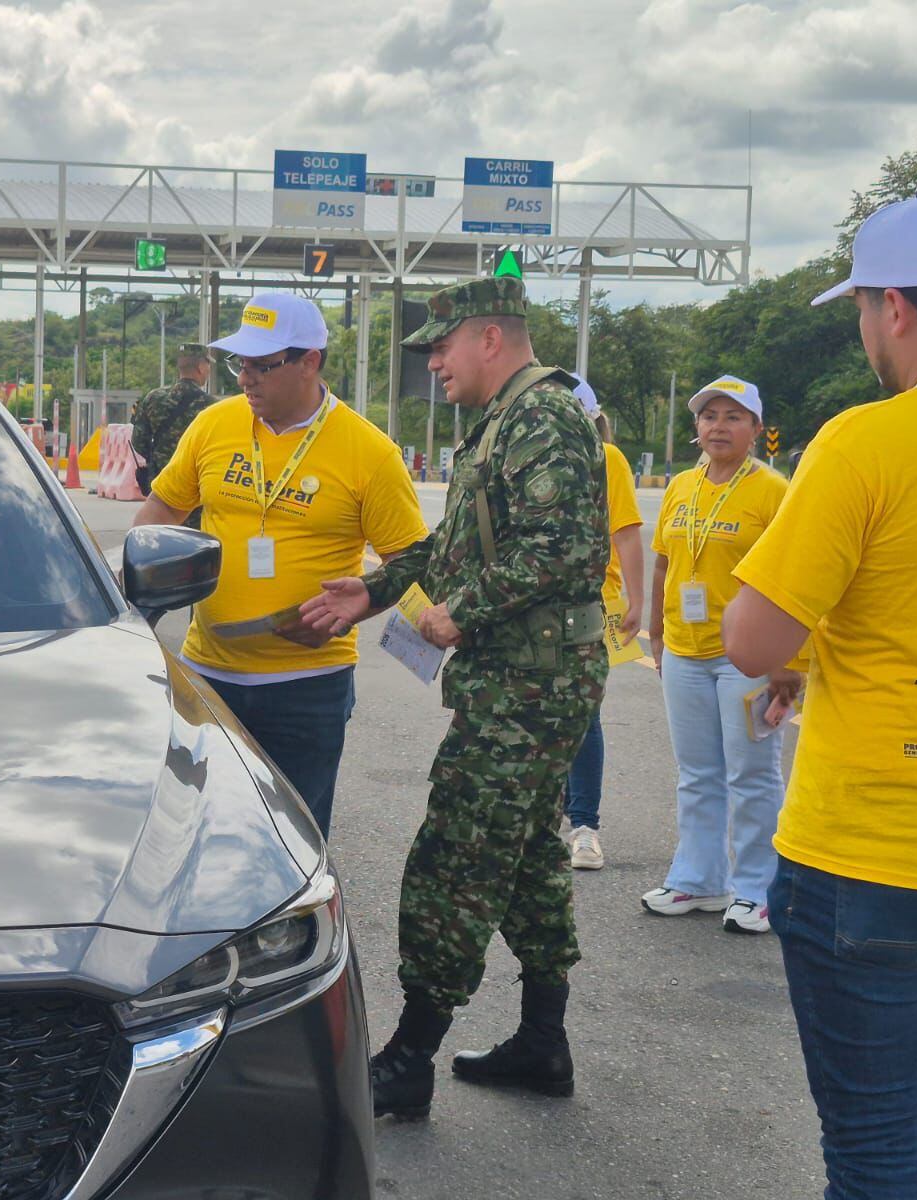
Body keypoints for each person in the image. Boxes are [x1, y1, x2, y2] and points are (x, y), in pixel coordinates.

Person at [300, 276, 608, 1119]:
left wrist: (454, 612)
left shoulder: (539, 416)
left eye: (438, 345)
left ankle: (408, 1057)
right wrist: (377, 588)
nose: (429, 362)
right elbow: (457, 540)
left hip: (529, 685)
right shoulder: (504, 422)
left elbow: (559, 546)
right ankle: (545, 1042)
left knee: (457, 857)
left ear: (489, 338)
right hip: (527, 679)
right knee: (527, 857)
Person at [722, 193, 917, 1195]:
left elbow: (753, 639)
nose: (862, 328)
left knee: (872, 1152)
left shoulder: (865, 442)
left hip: (873, 849)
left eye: (860, 307)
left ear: (894, 308)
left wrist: (810, 645)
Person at [131, 291, 427, 835]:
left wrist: (367, 604)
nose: (246, 378)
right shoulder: (215, 425)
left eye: (263, 366)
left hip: (307, 686)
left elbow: (411, 559)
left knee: (293, 837)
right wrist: (130, 579)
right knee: (196, 832)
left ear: (309, 361)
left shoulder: (370, 452)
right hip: (208, 676)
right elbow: (164, 505)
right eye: (239, 363)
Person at [640, 375, 800, 934]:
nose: (719, 426)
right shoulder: (682, 486)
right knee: (697, 773)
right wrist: (657, 634)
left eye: (733, 417)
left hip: (748, 657)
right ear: (697, 429)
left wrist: (787, 658)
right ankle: (699, 879)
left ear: (756, 429)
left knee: (753, 773)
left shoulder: (775, 491)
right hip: (685, 650)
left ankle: (757, 888)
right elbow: (663, 563)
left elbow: (792, 575)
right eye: (709, 416)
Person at [563, 373, 644, 870]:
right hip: (545, 608)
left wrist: (637, 602)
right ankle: (553, 816)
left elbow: (628, 531)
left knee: (583, 715)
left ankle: (585, 826)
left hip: (595, 605)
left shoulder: (606, 458)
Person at [131, 343, 215, 499]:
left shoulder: (153, 398)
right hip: (194, 490)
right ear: (201, 367)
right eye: (208, 365)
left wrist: (159, 458)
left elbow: (138, 442)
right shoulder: (212, 406)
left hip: (160, 487)